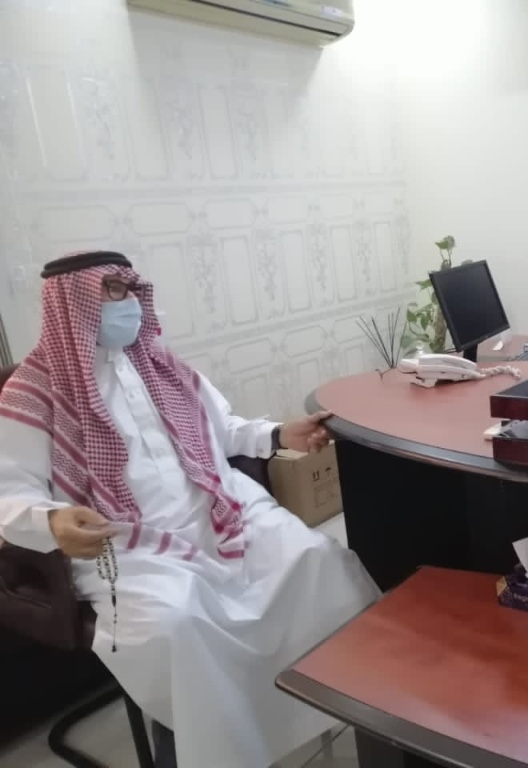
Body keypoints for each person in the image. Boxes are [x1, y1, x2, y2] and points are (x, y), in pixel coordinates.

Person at [0, 252, 381, 768]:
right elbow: (9, 492)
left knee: (318, 561)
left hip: (217, 510)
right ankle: (205, 748)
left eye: (128, 288)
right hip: (126, 546)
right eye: (109, 291)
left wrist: (277, 434)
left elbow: (222, 429)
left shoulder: (158, 363)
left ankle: (349, 711)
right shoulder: (31, 393)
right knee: (179, 624)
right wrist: (51, 521)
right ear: (70, 304)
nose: (127, 302)